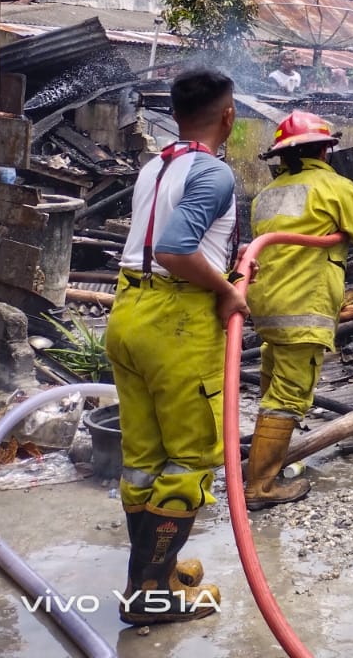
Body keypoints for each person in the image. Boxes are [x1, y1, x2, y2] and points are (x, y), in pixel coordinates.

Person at [105, 68, 244, 625]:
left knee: (143, 462)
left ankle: (150, 576)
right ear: (228, 115)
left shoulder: (154, 167)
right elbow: (175, 249)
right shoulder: (214, 174)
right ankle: (152, 596)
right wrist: (230, 290)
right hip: (177, 321)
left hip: (127, 313)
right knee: (188, 461)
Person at [245, 111, 353, 509]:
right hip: (303, 308)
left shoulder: (267, 195)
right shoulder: (335, 186)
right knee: (288, 396)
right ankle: (260, 486)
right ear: (326, 149)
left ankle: (259, 465)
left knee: (272, 386)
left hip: (267, 307)